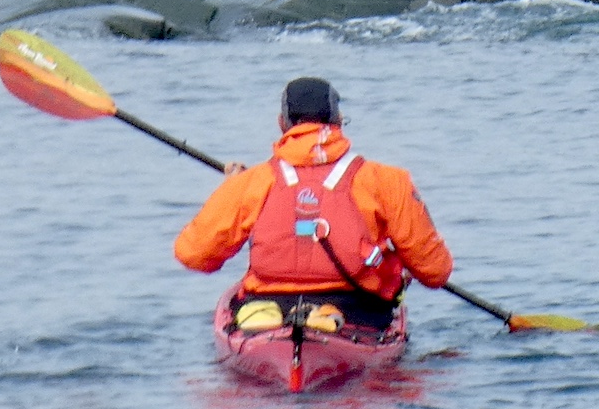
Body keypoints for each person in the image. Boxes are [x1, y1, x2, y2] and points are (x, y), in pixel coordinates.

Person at [172, 77, 453, 334]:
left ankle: (287, 337)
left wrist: (230, 188)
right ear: (339, 121)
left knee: (255, 321)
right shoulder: (389, 181)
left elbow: (192, 254)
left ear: (282, 123)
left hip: (267, 313)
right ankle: (323, 329)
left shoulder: (250, 183)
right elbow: (435, 271)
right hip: (359, 314)